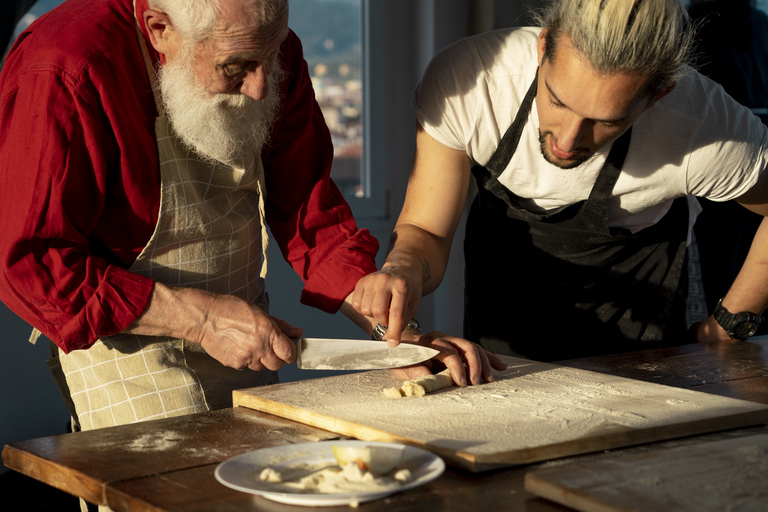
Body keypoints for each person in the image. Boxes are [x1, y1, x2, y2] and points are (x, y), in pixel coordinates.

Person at [0, 0, 501, 433]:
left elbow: (309, 213)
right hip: (128, 364)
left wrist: (397, 339)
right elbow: (29, 264)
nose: (263, 87)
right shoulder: (65, 69)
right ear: (160, 30)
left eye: (272, 54)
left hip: (245, 342)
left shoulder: (262, 46)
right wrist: (200, 319)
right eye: (236, 67)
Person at [350, 0, 768, 362]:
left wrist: (730, 324)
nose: (568, 140)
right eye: (557, 100)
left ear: (659, 94)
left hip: (644, 357)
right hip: (501, 342)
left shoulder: (699, 124)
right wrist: (402, 268)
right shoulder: (472, 82)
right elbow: (426, 229)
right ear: (543, 45)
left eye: (606, 121)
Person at [688, 0, 768, 323]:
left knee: (723, 273)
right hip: (730, 172)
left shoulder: (693, 26)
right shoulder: (758, 24)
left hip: (731, 172)